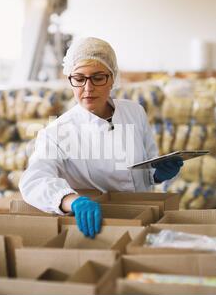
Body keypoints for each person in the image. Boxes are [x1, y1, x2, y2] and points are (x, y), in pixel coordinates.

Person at [19, 37, 183, 238]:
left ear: (112, 78)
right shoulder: (57, 132)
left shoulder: (134, 112)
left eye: (98, 78)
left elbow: (147, 167)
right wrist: (71, 200)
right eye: (79, 79)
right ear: (70, 79)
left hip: (147, 218)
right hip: (100, 227)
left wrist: (158, 174)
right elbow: (33, 181)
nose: (88, 88)